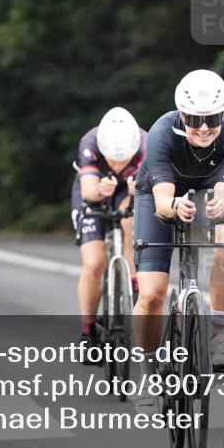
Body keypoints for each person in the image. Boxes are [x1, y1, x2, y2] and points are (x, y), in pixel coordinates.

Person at [131, 70, 224, 414]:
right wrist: (174, 207)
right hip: (158, 195)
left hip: (209, 192)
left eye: (211, 119)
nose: (203, 127)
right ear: (182, 115)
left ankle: (219, 333)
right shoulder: (161, 134)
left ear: (223, 115)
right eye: (195, 119)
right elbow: (163, 201)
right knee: (151, 294)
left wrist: (219, 208)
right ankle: (148, 373)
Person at [71, 107, 147, 363]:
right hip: (95, 190)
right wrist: (100, 190)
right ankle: (88, 330)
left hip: (129, 192)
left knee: (131, 219)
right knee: (94, 263)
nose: (116, 165)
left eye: (123, 159)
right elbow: (89, 192)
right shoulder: (90, 142)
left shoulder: (147, 144)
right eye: (111, 160)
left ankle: (134, 283)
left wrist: (138, 190)